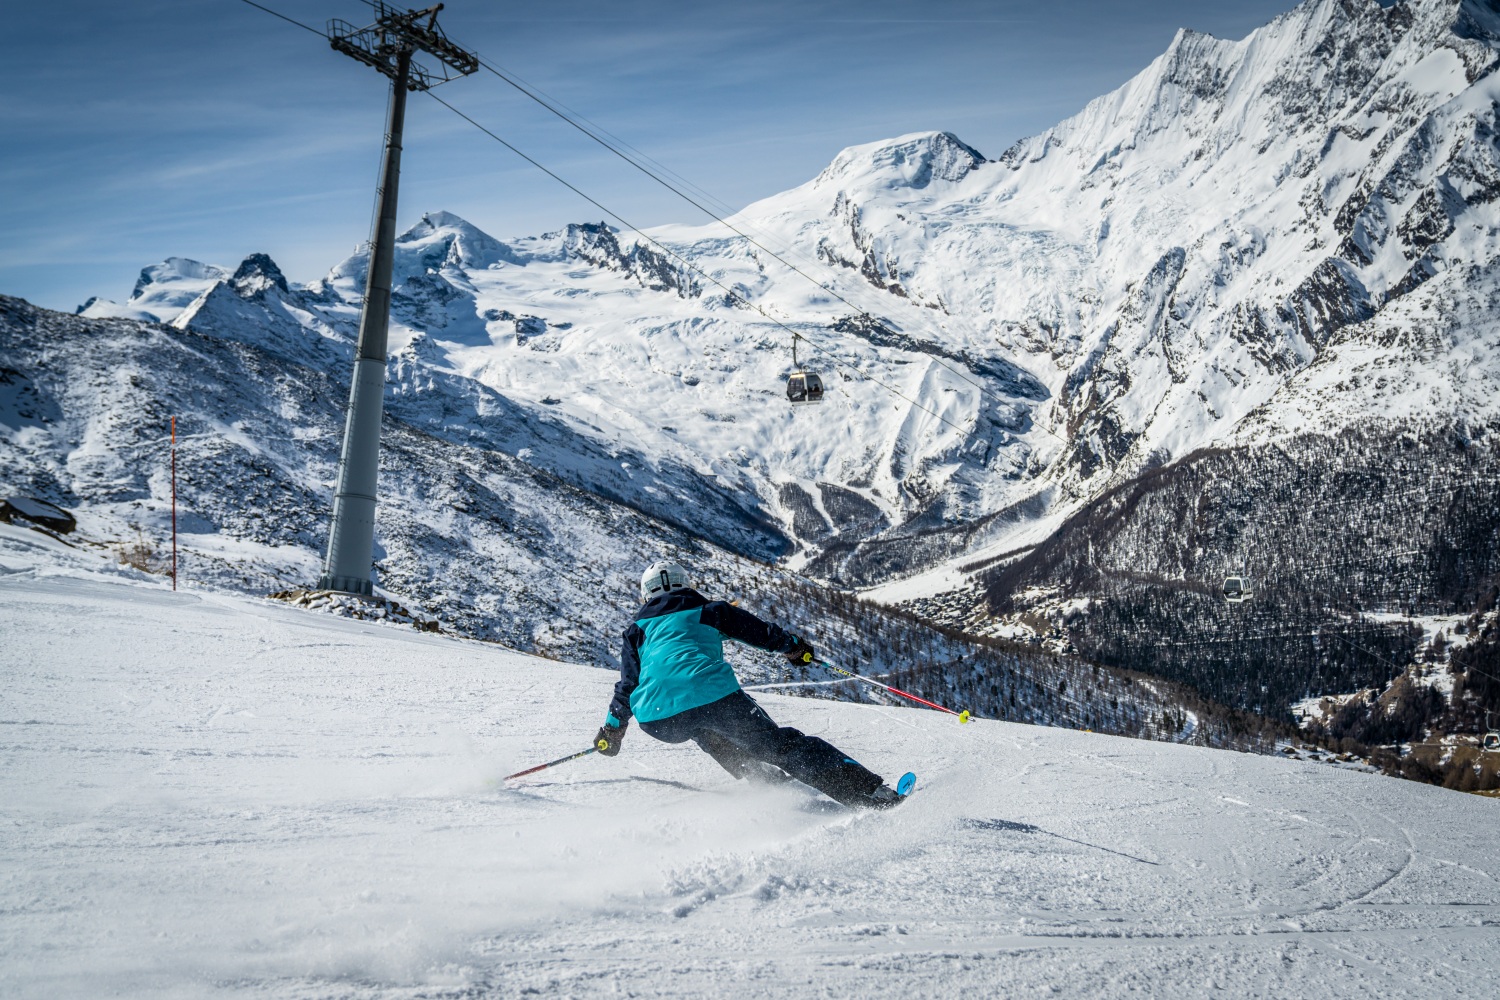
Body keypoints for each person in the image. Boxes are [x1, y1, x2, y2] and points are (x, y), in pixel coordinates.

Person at [593, 560, 903, 808]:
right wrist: (795, 648)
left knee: (703, 728)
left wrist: (612, 730)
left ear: (646, 595)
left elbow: (628, 686)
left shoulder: (635, 632)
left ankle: (764, 780)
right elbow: (759, 633)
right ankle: (869, 792)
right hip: (713, 696)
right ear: (686, 584)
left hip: (658, 719)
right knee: (779, 745)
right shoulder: (709, 611)